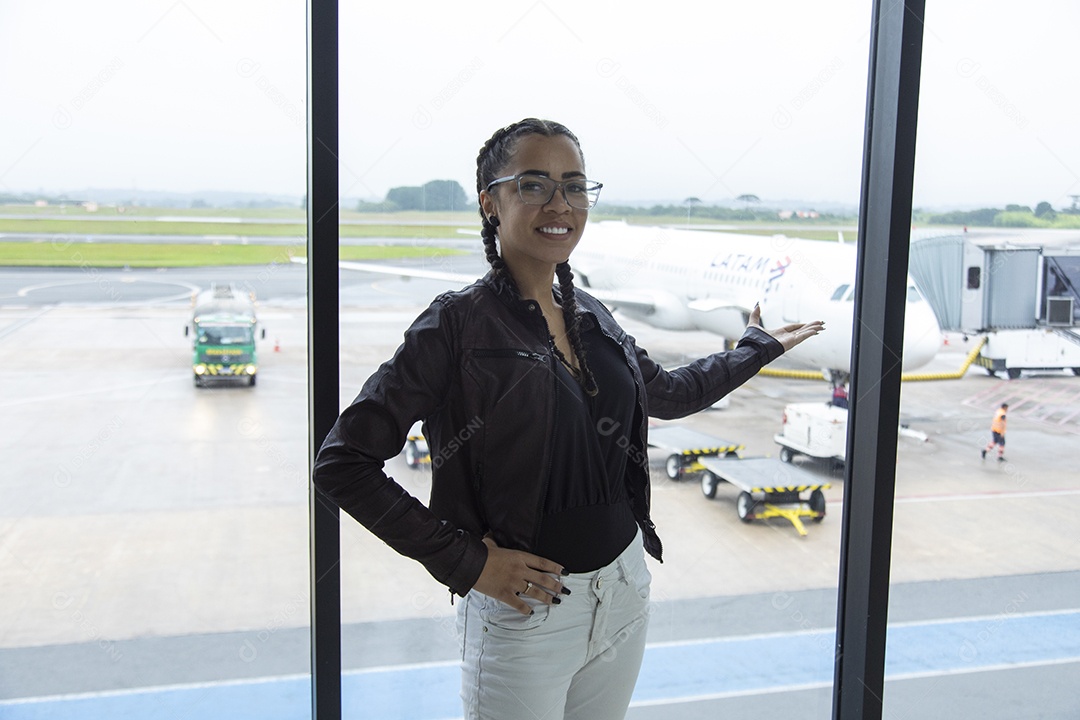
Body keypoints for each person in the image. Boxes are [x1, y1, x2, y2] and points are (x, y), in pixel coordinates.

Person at [311, 118, 825, 720]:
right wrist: (467, 562)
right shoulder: (455, 325)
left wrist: (754, 349)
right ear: (490, 202)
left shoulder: (592, 316)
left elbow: (668, 394)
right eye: (534, 185)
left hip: (623, 590)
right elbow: (343, 463)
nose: (560, 204)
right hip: (525, 614)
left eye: (575, 186)